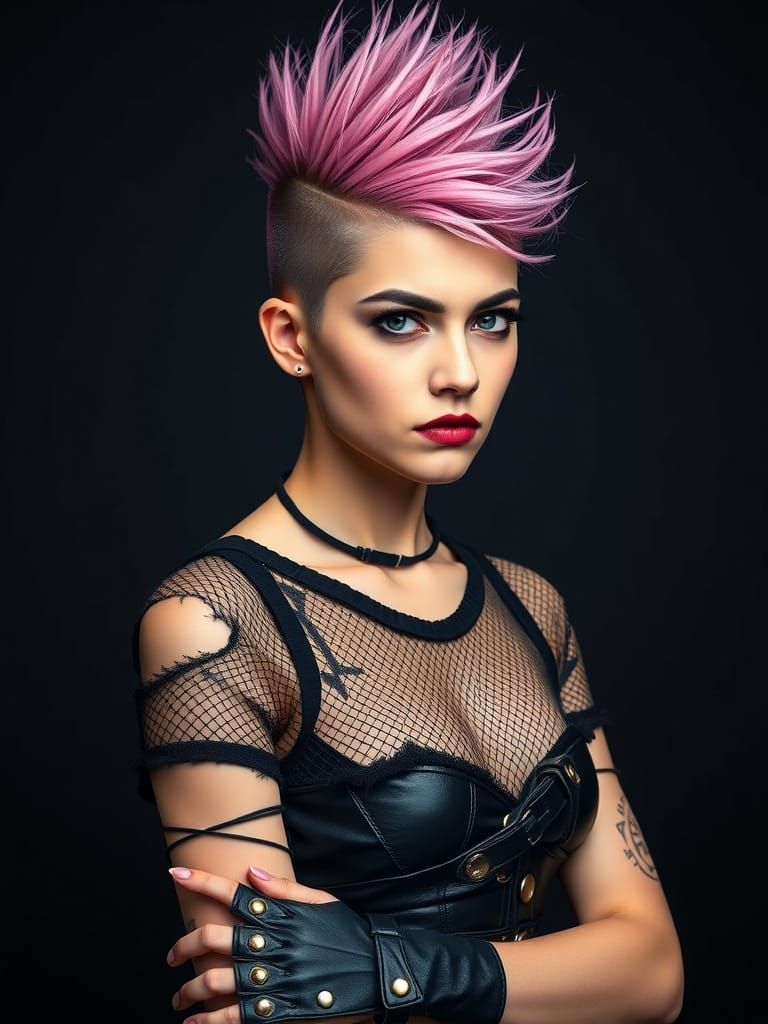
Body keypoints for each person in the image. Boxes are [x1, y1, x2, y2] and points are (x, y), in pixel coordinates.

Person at [131, 2, 684, 1022]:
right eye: (401, 320)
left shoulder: (530, 607)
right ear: (290, 336)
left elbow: (652, 970)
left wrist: (395, 968)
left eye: (495, 320)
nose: (462, 372)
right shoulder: (214, 621)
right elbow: (266, 1003)